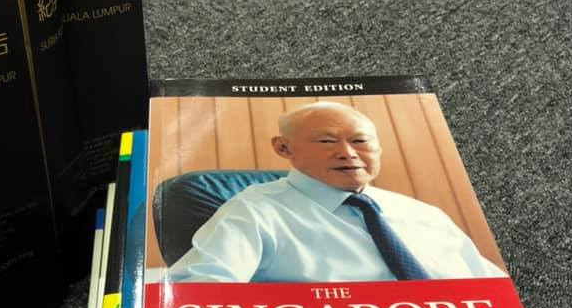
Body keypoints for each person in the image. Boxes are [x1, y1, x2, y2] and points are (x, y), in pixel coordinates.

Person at [167, 101, 505, 283]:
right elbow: (198, 289)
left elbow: (493, 288)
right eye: (327, 141)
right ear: (283, 148)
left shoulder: (423, 214)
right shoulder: (253, 211)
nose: (348, 153)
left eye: (360, 141)